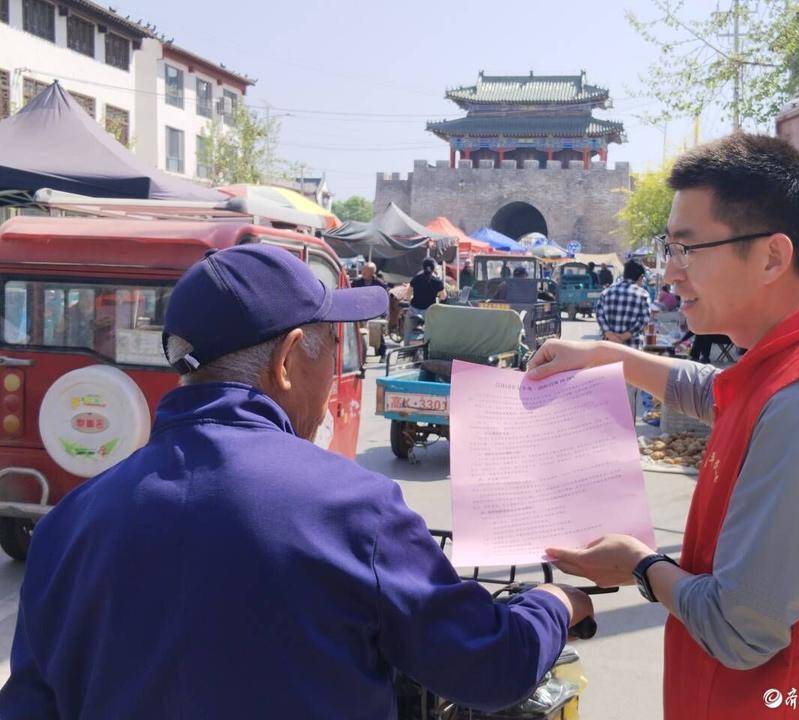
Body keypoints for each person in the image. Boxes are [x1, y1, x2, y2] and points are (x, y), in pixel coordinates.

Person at [0, 245, 592, 719]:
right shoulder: (353, 508)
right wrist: (556, 603)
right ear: (286, 361)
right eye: (332, 348)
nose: (334, 377)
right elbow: (490, 667)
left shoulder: (69, 525)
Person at [527, 133, 799, 719]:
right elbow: (720, 392)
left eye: (688, 249)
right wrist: (605, 356)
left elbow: (738, 629)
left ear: (772, 256)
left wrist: (643, 566)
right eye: (668, 247)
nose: (670, 273)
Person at [595, 259, 651, 417]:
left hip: (608, 350)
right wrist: (625, 336)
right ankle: (626, 429)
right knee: (629, 395)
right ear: (640, 277)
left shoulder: (607, 292)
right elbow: (644, 319)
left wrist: (609, 334)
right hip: (632, 352)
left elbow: (599, 313)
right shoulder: (643, 294)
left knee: (608, 393)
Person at [405, 257, 447, 343]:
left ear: (423, 267)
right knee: (431, 332)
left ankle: (406, 348)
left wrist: (410, 300)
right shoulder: (437, 282)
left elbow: (408, 294)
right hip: (429, 311)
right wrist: (437, 296)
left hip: (414, 309)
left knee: (408, 331)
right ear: (434, 268)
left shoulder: (416, 278)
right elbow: (443, 297)